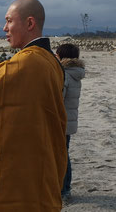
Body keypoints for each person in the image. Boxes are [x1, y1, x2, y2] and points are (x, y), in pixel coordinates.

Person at [0, 0, 67, 211]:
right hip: (42, 156)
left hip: (22, 169)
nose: (4, 28)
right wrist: (0, 71)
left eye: (9, 21)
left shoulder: (28, 62)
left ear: (29, 24)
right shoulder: (49, 60)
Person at [56, 44, 85, 200]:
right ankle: (65, 188)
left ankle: (64, 190)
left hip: (62, 121)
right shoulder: (76, 73)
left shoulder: (65, 74)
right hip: (69, 120)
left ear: (62, 56)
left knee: (62, 155)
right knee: (64, 153)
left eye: (57, 54)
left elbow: (59, 99)